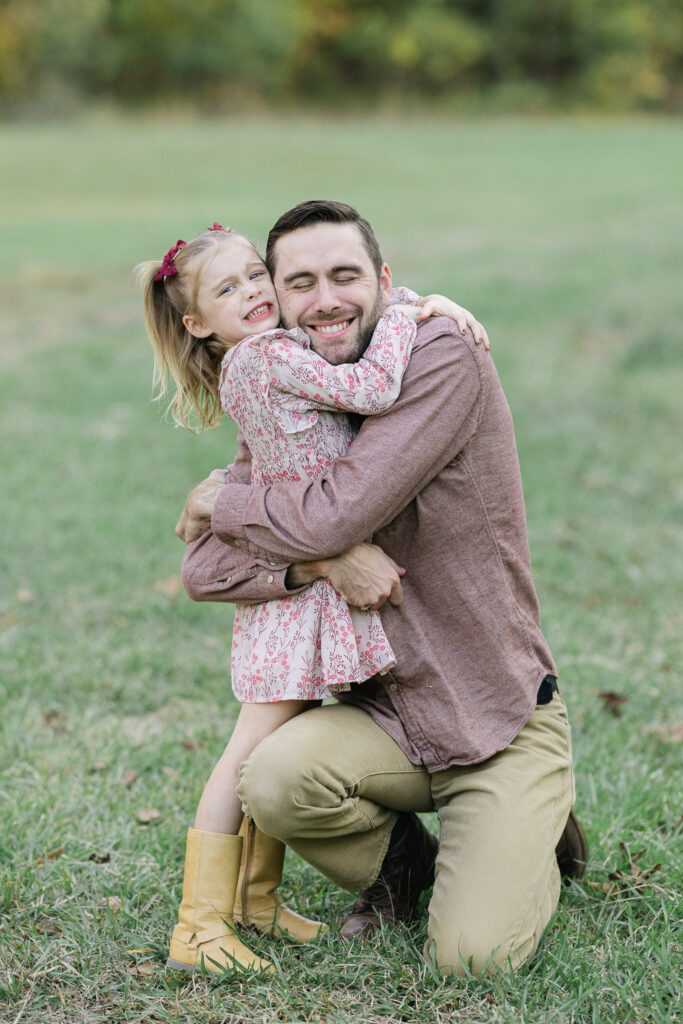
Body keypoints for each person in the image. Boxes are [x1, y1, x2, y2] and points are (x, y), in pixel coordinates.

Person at [177, 200, 588, 978]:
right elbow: (204, 570)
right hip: (388, 720)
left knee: (473, 960)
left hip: (492, 715)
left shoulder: (440, 356)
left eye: (345, 276)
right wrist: (311, 566)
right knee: (271, 775)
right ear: (279, 299)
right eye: (299, 282)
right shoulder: (290, 384)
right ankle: (405, 873)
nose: (324, 299)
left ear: (385, 281)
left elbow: (337, 511)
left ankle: (533, 822)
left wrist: (222, 502)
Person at [137, 222, 486, 975]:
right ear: (197, 324)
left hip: (295, 576)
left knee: (270, 743)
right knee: (246, 754)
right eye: (228, 290)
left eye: (256, 276)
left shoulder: (262, 354)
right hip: (293, 592)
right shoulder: (266, 357)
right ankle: (198, 926)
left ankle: (256, 899)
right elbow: (369, 386)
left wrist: (414, 298)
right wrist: (402, 316)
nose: (256, 292)